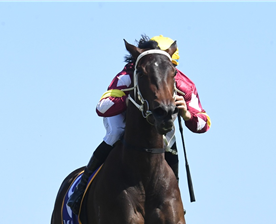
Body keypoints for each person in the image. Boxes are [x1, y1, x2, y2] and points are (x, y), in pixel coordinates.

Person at [68, 35, 210, 214]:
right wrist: (132, 96)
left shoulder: (184, 85)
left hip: (157, 120)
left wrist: (187, 114)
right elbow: (102, 108)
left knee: (170, 140)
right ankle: (81, 188)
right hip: (124, 116)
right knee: (116, 133)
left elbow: (204, 124)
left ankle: (174, 199)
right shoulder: (127, 76)